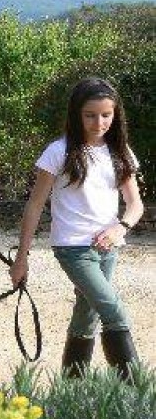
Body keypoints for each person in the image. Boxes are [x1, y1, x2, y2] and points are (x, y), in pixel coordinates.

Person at [9, 77, 144, 381]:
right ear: (76, 114)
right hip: (72, 247)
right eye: (90, 115)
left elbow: (135, 206)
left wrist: (119, 229)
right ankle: (137, 391)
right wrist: (21, 258)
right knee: (113, 310)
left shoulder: (121, 153)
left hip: (109, 247)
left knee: (87, 314)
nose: (99, 122)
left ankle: (72, 390)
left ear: (116, 115)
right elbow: (33, 207)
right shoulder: (58, 152)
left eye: (106, 115)